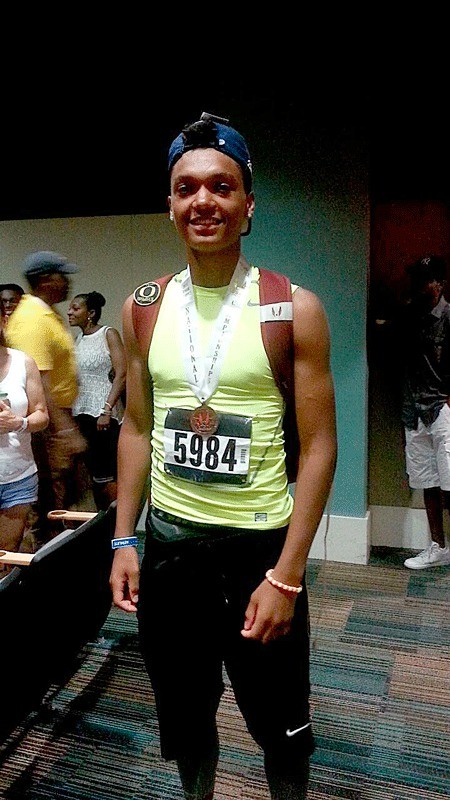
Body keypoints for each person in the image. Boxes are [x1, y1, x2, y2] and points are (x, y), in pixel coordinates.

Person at [110, 113, 337, 800]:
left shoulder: (291, 308)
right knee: (185, 720)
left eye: (220, 187)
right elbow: (137, 429)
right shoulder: (143, 308)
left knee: (281, 730)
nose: (201, 201)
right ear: (171, 204)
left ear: (247, 206)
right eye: (185, 189)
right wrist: (125, 535)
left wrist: (289, 577)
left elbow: (321, 445)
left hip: (258, 557)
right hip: (172, 553)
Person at [5, 250, 86, 546]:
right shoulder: (32, 318)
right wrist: (64, 431)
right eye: (61, 275)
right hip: (48, 427)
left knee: (60, 500)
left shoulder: (45, 313)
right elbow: (39, 382)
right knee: (48, 505)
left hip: (57, 421)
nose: (67, 282)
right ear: (45, 280)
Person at [400, 254, 450, 569]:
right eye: (420, 280)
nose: (424, 286)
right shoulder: (409, 316)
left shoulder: (448, 316)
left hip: (442, 408)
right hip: (413, 409)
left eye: (430, 280)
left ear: (441, 282)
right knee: (427, 482)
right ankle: (438, 547)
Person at [68, 291, 126, 510]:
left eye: (76, 308)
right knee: (91, 475)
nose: (69, 312)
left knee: (107, 474)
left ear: (90, 313)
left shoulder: (108, 334)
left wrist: (107, 410)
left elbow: (121, 373)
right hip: (81, 413)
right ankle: (100, 526)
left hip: (103, 416)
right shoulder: (79, 339)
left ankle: (117, 525)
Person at [0, 313, 48, 571]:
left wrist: (18, 423)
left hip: (17, 479)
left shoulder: (23, 362)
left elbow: (42, 414)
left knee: (4, 562)